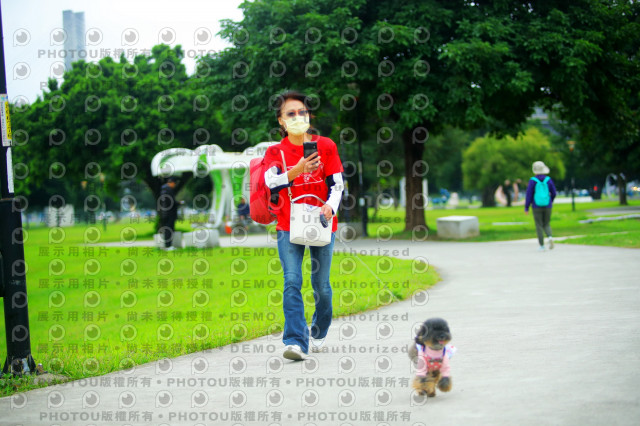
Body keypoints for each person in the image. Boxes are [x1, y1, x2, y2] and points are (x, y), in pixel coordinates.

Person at [263, 91, 344, 361]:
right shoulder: (275, 152)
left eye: (302, 112)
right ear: (281, 121)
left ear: (309, 116)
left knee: (321, 286)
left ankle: (318, 331)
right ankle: (296, 342)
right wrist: (297, 169)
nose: (298, 117)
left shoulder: (326, 146)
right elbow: (270, 183)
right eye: (291, 114)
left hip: (322, 221)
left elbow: (337, 184)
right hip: (288, 224)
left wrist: (330, 206)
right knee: (292, 281)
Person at [525, 161, 557, 251]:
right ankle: (550, 237)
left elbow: (529, 194)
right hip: (547, 205)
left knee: (539, 225)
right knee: (546, 223)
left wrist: (527, 207)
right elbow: (554, 193)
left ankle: (542, 245)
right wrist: (550, 201)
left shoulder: (533, 180)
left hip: (536, 206)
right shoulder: (548, 180)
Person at [158, 177, 179, 250]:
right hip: (169, 213)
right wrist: (178, 203)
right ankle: (168, 246)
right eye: (174, 184)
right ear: (172, 183)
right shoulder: (168, 190)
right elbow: (171, 202)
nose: (174, 186)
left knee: (168, 229)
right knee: (169, 229)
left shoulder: (163, 190)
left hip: (165, 213)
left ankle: (168, 245)